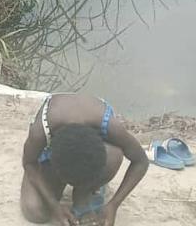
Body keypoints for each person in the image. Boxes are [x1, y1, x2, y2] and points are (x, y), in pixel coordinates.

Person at [20, 93, 149, 226]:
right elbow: (29, 163)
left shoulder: (111, 127)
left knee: (113, 155)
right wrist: (54, 205)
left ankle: (84, 193)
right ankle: (78, 185)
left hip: (96, 143)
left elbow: (141, 162)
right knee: (35, 211)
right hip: (57, 146)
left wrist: (113, 205)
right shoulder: (41, 131)